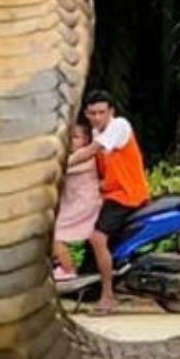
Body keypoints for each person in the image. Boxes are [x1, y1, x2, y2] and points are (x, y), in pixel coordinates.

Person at [69, 90, 150, 314]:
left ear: (111, 112)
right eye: (92, 113)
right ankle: (88, 286)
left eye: (101, 112)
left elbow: (90, 152)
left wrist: (60, 164)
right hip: (110, 195)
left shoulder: (119, 126)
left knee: (97, 238)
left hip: (126, 195)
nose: (97, 117)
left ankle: (107, 296)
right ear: (86, 113)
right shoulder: (97, 132)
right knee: (87, 231)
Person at [52, 116, 102, 281]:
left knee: (54, 233)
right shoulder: (73, 155)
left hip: (84, 205)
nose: (71, 141)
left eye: (75, 137)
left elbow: (59, 169)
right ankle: (61, 265)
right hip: (75, 204)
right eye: (68, 137)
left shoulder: (84, 156)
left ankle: (67, 270)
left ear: (86, 139)